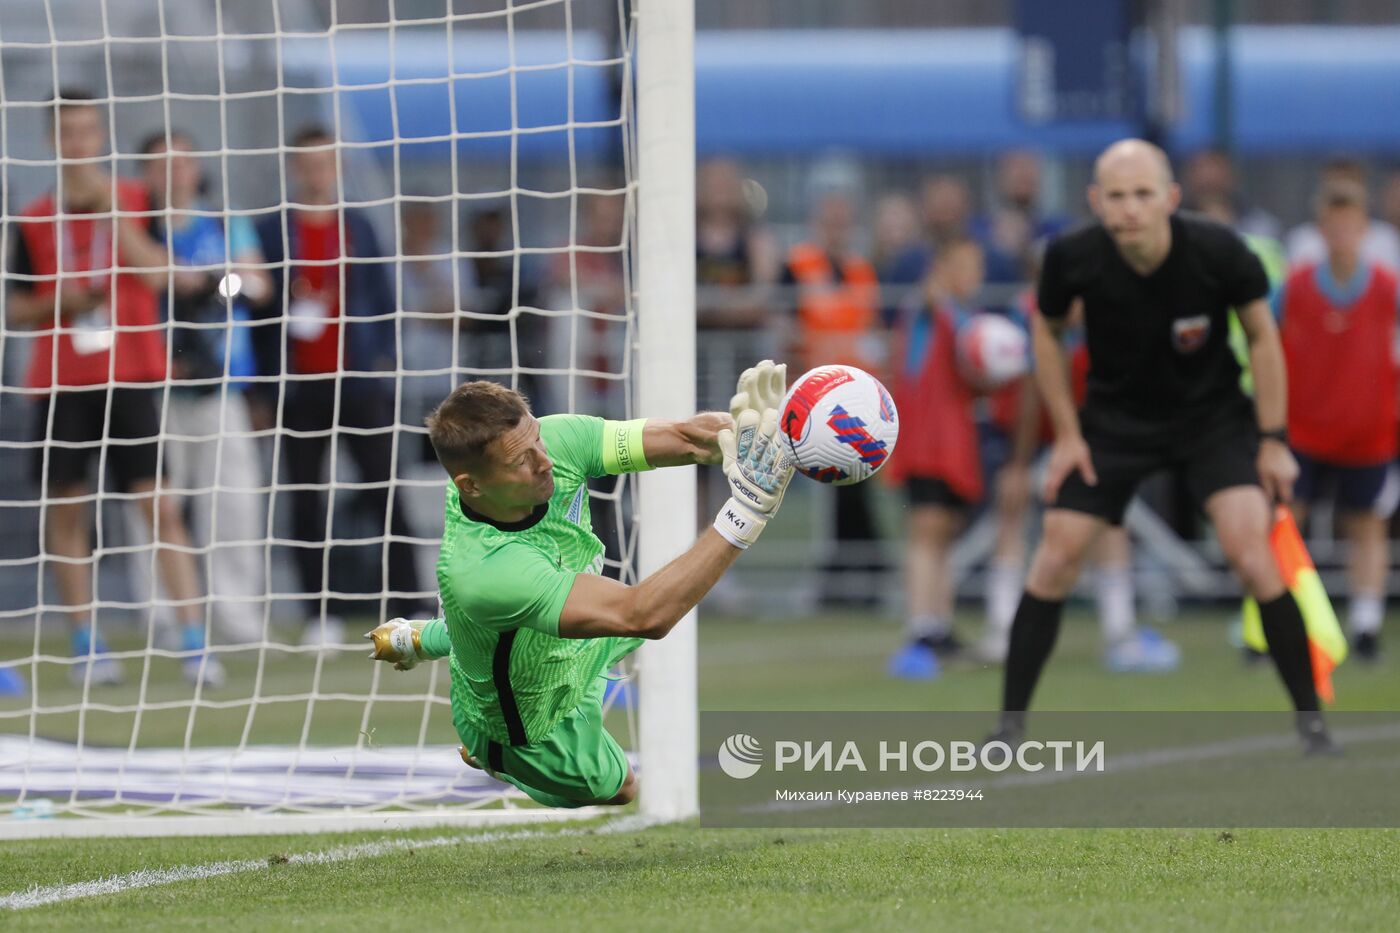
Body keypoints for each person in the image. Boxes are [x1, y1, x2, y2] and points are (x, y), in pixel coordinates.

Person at [990, 138, 1339, 756]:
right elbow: (1045, 334)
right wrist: (1068, 436)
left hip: (1213, 420)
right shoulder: (1072, 256)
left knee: (1250, 551)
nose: (1130, 208)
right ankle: (1009, 729)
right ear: (1096, 201)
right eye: (1116, 196)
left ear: (1171, 198)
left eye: (1143, 194)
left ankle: (1312, 725)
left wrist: (1273, 440)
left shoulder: (1217, 250)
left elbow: (1263, 336)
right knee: (1055, 554)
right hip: (1114, 424)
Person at [364, 363, 793, 808]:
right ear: (470, 486)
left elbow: (685, 437)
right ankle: (493, 757)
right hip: (530, 720)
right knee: (622, 788)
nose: (544, 461)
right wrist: (746, 511)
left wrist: (750, 437)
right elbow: (641, 616)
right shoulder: (483, 571)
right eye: (521, 461)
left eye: (537, 440)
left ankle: (416, 636)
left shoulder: (555, 440)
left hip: (571, 635)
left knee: (504, 627)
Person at [5, 91, 221, 687]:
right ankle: (85, 642)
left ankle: (194, 640)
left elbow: (158, 273)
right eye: (66, 132)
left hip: (130, 374)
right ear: (52, 140)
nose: (77, 142)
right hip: (61, 379)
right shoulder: (31, 216)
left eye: (86, 131)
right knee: (67, 514)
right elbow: (17, 307)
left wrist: (113, 219)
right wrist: (62, 301)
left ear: (99, 135)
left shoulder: (134, 198)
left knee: (160, 509)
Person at [252, 124, 425, 645]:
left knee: (383, 491)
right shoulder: (271, 230)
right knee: (306, 497)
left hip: (357, 382)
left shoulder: (360, 228)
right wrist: (263, 387)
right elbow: (260, 317)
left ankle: (412, 603)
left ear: (338, 166)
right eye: (307, 163)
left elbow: (383, 299)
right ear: (293, 168)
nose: (316, 172)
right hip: (299, 385)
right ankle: (316, 614)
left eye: (325, 161)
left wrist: (382, 362)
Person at [124, 128, 272, 646]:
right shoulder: (135, 228)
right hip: (155, 384)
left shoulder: (224, 221)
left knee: (233, 503)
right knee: (153, 506)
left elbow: (257, 285)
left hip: (221, 384)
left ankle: (236, 617)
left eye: (182, 162)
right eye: (161, 163)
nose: (173, 173)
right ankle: (162, 617)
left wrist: (216, 279)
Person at [982, 293, 1181, 673]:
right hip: (1034, 439)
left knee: (1108, 520)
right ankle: (1003, 627)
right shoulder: (1030, 316)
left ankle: (1119, 631)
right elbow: (1028, 395)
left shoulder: (1105, 320)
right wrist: (1020, 464)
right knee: (1013, 512)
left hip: (1082, 437)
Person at [1277, 178, 1399, 661]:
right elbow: (1263, 337)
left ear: (1364, 229)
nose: (1343, 233)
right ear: (1322, 229)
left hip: (1368, 432)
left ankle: (1365, 623)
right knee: (1287, 523)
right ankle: (1280, 622)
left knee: (1366, 524)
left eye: (1352, 224)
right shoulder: (1296, 287)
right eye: (1334, 224)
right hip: (1305, 429)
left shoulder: (1387, 288)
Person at [884, 238, 987, 678]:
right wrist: (936, 284)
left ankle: (939, 624)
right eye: (965, 266)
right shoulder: (931, 308)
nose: (974, 277)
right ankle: (921, 626)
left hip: (953, 440)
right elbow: (927, 300)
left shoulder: (962, 317)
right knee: (926, 530)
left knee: (945, 531)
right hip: (927, 439)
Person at [782, 190, 885, 607]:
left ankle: (856, 574)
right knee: (823, 487)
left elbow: (871, 325)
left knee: (854, 484)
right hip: (813, 397)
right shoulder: (798, 265)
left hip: (856, 397)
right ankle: (843, 575)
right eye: (831, 219)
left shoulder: (860, 269)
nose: (837, 228)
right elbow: (784, 320)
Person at [1285, 159, 1400, 272]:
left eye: (1350, 182)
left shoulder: (1387, 238)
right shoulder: (1302, 240)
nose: (1342, 188)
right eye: (1335, 182)